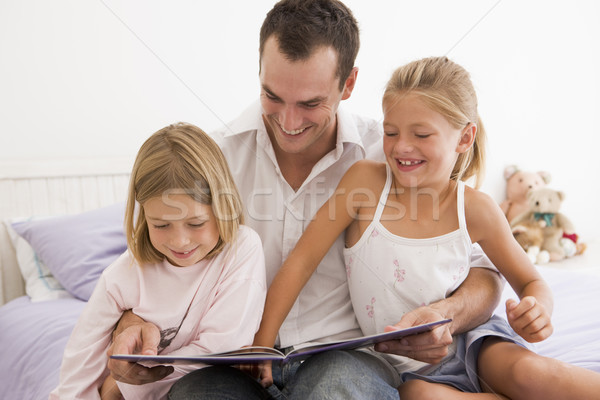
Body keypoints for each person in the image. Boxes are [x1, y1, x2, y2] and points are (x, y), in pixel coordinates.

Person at [107, 1, 505, 399]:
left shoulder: (391, 155)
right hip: (229, 359)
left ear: (348, 84)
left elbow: (483, 272)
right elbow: (152, 268)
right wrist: (130, 324)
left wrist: (446, 317)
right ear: (259, 72)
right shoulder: (211, 159)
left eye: (310, 104)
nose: (289, 121)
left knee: (337, 389)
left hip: (346, 357)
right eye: (273, 96)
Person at [253, 56, 600, 399]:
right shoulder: (365, 183)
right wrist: (263, 345)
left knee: (531, 374)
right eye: (391, 132)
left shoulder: (476, 208)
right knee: (421, 396)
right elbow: (301, 262)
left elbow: (531, 281)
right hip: (403, 370)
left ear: (464, 138)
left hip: (473, 344)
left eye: (421, 134)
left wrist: (538, 309)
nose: (402, 146)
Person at [49, 123, 266, 400]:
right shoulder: (123, 274)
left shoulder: (241, 249)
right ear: (143, 217)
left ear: (222, 207)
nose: (180, 242)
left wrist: (123, 388)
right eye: (161, 225)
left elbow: (221, 347)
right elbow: (79, 364)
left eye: (195, 223)